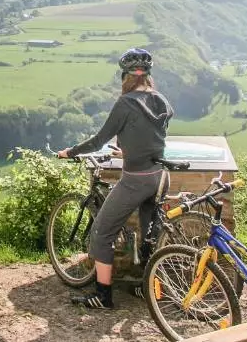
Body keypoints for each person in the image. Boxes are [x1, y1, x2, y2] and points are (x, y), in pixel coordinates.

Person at [56, 48, 174, 309]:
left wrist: (70, 152)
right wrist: (129, 150)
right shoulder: (162, 101)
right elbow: (153, 137)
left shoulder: (126, 103)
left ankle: (103, 296)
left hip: (136, 180)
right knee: (150, 236)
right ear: (148, 75)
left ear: (125, 76)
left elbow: (99, 140)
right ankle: (151, 288)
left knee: (101, 232)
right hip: (160, 176)